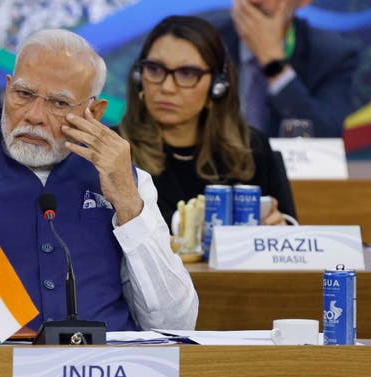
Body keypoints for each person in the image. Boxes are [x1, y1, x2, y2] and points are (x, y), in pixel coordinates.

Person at [0, 28, 198, 341]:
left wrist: (129, 205)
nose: (34, 115)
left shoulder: (125, 180)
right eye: (24, 94)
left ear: (94, 112)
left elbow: (175, 324)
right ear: (8, 88)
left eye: (58, 103)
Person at [119, 15, 296, 228]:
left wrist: (280, 228)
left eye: (187, 74)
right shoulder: (114, 150)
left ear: (217, 87)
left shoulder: (252, 148)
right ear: (139, 77)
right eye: (155, 69)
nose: (167, 87)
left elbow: (290, 231)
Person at [215, 0, 360, 138]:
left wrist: (274, 65)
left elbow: (327, 135)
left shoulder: (331, 54)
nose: (255, 1)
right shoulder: (208, 45)